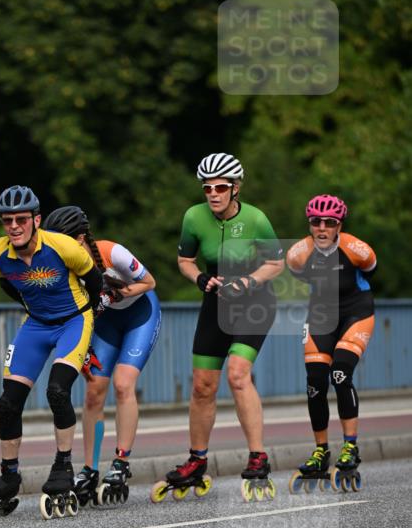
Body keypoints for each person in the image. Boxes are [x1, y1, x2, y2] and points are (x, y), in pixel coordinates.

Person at [0, 185, 103, 515]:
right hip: (36, 324)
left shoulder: (64, 247)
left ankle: (63, 467)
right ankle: (9, 477)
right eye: (7, 220)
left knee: (57, 391)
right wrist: (33, 307)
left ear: (36, 220)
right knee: (8, 402)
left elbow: (95, 282)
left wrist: (91, 319)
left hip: (74, 320)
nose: (14, 226)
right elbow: (7, 284)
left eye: (21, 219)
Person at [169, 152, 285, 501]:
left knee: (237, 374)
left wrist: (248, 281)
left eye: (220, 187)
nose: (213, 194)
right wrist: (199, 277)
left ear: (235, 188)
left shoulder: (256, 219)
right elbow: (184, 260)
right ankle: (197, 460)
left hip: (254, 304)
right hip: (215, 304)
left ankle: (257, 456)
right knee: (203, 385)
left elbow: (276, 264)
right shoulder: (193, 217)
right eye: (207, 188)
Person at [43, 205, 161, 502]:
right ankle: (89, 468)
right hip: (105, 323)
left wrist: (116, 293)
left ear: (81, 238)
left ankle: (121, 463)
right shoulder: (62, 265)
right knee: (94, 391)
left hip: (139, 315)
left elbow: (149, 282)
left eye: (63, 241)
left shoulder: (113, 252)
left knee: (123, 384)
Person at [286, 195, 376, 490]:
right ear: (309, 224)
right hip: (321, 316)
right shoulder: (298, 254)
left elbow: (372, 270)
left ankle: (350, 446)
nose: (322, 228)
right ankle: (321, 451)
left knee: (340, 373)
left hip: (356, 313)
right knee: (314, 382)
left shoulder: (356, 249)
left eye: (330, 223)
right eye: (316, 222)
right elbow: (298, 275)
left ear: (339, 225)